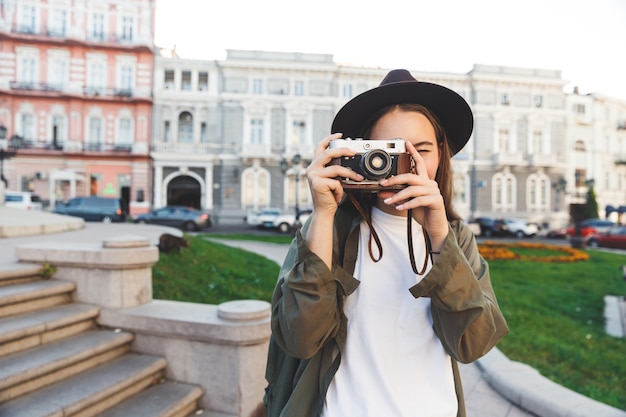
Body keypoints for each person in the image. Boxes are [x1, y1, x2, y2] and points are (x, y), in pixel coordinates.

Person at [263, 69, 509, 417]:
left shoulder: (456, 237)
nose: (401, 165)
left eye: (420, 150)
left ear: (441, 154)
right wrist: (322, 214)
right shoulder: (329, 229)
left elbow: (473, 344)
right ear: (357, 154)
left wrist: (439, 233)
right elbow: (300, 340)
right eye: (384, 152)